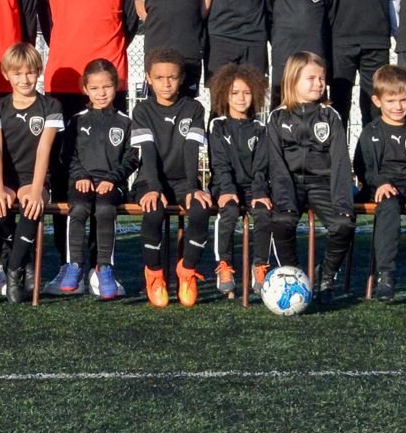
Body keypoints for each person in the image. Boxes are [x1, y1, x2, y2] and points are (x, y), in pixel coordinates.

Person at [263, 51, 354, 304]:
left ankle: (326, 275)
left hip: (321, 184)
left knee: (344, 224)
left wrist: (343, 203)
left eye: (322, 78)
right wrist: (284, 196)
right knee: (282, 220)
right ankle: (295, 278)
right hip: (289, 184)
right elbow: (276, 164)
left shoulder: (331, 116)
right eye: (311, 78)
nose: (319, 84)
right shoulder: (277, 117)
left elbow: (339, 163)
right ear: (293, 81)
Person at [131, 47, 211, 307]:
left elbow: (191, 149)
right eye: (159, 78)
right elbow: (149, 151)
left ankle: (187, 272)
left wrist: (192, 187)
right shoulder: (142, 110)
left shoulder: (194, 108)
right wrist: (153, 187)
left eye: (172, 77)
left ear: (182, 78)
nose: (166, 84)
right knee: (153, 211)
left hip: (183, 181)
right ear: (148, 78)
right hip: (149, 181)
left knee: (200, 210)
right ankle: (154, 274)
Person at [354, 64, 406, 302]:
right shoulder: (371, 132)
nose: (397, 107)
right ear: (378, 101)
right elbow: (363, 168)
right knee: (388, 207)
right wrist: (379, 182)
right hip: (383, 185)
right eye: (391, 101)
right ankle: (386, 275)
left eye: (403, 100)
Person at [62, 58, 138, 301]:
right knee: (80, 207)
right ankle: (75, 265)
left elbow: (132, 158)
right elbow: (67, 155)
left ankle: (104, 268)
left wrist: (114, 179)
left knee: (105, 209)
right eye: (94, 88)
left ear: (116, 86)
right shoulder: (78, 120)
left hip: (111, 185)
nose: (101, 93)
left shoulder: (125, 122)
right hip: (82, 182)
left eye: (106, 87)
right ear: (85, 89)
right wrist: (80, 176)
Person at [0, 42, 63, 302]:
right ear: (6, 74)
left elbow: (44, 149)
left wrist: (36, 190)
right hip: (6, 179)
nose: (25, 79)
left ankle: (13, 268)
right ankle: (25, 260)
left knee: (31, 205)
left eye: (31, 72)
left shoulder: (50, 105)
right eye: (18, 73)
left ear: (39, 72)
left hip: (34, 179)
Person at [205, 64, 272, 296]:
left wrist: (261, 191)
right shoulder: (217, 126)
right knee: (229, 212)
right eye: (234, 93)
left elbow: (262, 167)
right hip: (224, 186)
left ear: (254, 94)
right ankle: (225, 267)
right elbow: (219, 163)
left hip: (253, 187)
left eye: (246, 92)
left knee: (264, 214)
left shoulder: (261, 128)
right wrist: (226, 189)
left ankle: (260, 268)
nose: (241, 98)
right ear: (224, 94)